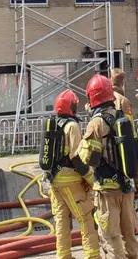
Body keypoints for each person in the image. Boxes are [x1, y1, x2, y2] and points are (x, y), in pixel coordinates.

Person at [78, 74, 138, 259]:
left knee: (112, 238)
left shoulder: (96, 123)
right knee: (130, 236)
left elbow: (90, 159)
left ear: (92, 98)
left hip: (106, 190)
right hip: (127, 188)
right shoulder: (124, 119)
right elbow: (137, 151)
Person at [46, 90, 100, 259]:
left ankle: (64, 256)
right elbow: (77, 157)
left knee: (62, 220)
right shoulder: (72, 126)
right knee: (86, 218)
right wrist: (91, 179)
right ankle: (93, 256)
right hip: (70, 180)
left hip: (54, 181)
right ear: (72, 107)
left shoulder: (54, 124)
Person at [109, 68, 138, 195]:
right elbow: (131, 133)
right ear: (122, 83)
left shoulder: (101, 99)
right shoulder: (124, 101)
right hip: (123, 149)